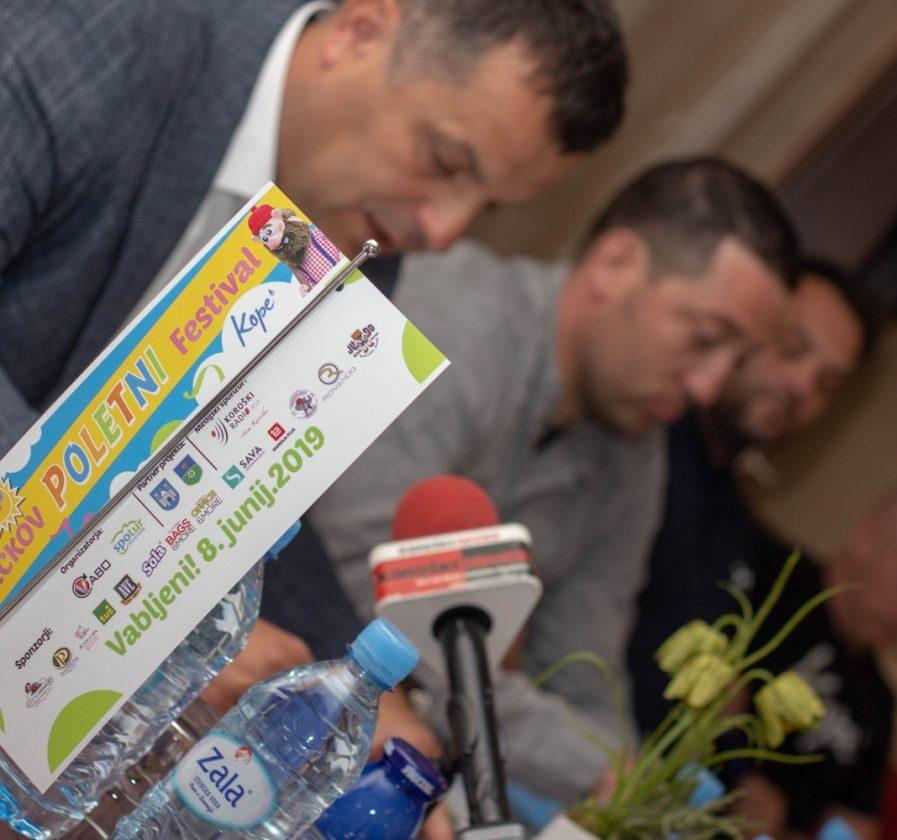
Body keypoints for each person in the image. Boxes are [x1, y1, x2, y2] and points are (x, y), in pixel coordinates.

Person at [0, 0, 627, 713]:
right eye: (445, 162)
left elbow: (246, 510)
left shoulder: (356, 242)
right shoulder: (105, 37)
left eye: (487, 209)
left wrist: (358, 693)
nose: (445, 232)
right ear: (361, 31)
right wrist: (142, 608)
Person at [304, 158, 801, 805]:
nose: (710, 387)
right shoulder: (463, 320)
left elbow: (586, 672)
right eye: (705, 338)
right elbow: (392, 612)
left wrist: (630, 794)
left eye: (735, 361)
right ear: (616, 264)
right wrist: (609, 779)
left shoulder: (637, 449)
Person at [628, 260, 873, 735]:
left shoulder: (736, 527)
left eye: (825, 384)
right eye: (792, 349)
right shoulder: (639, 433)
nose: (801, 386)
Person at [734, 472, 897, 839]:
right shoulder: (769, 576)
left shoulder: (879, 706)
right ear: (867, 537)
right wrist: (740, 778)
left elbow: (858, 823)